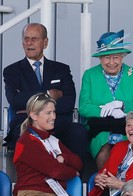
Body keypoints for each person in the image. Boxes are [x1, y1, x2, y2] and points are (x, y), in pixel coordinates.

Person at [3, 23, 89, 161]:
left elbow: (68, 102)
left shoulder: (61, 69)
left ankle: (74, 178)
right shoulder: (12, 71)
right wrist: (49, 94)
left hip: (57, 121)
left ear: (45, 42)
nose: (29, 43)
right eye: (26, 39)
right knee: (23, 133)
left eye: (34, 39)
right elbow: (15, 99)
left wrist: (32, 104)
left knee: (78, 131)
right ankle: (31, 181)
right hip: (26, 122)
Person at [79, 29, 133, 170]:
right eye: (106, 57)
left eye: (115, 57)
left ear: (122, 57)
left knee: (124, 149)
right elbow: (84, 107)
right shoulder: (90, 75)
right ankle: (105, 188)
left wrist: (122, 105)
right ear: (100, 58)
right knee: (104, 150)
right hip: (99, 128)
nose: (111, 62)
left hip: (128, 126)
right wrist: (106, 111)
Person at [12, 93, 89, 196]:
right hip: (30, 194)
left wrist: (64, 158)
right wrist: (72, 172)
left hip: (56, 194)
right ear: (33, 115)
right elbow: (56, 171)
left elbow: (78, 163)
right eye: (48, 113)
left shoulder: (53, 140)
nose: (53, 116)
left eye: (54, 112)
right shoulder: (26, 141)